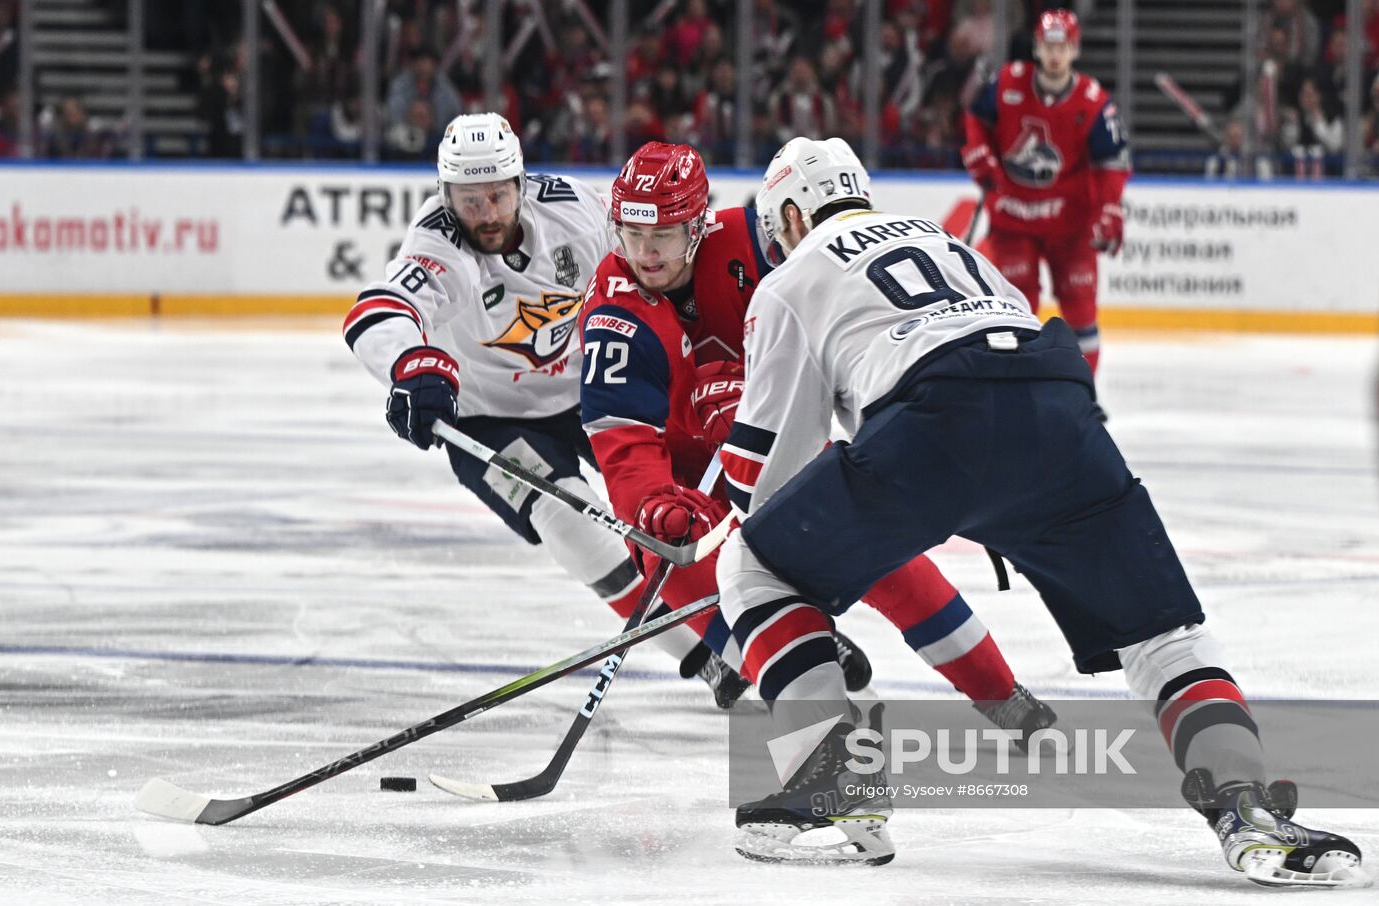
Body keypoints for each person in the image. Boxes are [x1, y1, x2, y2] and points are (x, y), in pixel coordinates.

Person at [714, 135, 1367, 888]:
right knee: (1163, 635)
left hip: (937, 424)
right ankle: (1248, 806)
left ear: (791, 213)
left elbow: (771, 474)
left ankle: (830, 782)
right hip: (1060, 406)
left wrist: (736, 539)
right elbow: (1001, 361)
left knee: (754, 562)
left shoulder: (792, 279)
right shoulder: (950, 242)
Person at [578, 140, 1056, 735]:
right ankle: (767, 667)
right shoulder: (615, 311)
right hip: (683, 481)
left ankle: (999, 693)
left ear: (699, 225)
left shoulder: (760, 243)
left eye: (666, 236)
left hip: (779, 439)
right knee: (663, 553)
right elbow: (624, 449)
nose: (645, 254)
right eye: (631, 233)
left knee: (886, 551)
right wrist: (655, 504)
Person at [342, 113, 742, 706]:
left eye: (498, 194)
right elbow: (378, 310)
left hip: (590, 387)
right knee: (571, 522)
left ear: (521, 184)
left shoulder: (573, 211)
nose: (485, 213)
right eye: (467, 198)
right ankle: (707, 655)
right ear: (443, 194)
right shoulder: (436, 245)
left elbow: (653, 263)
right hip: (488, 417)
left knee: (677, 502)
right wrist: (412, 365)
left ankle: (770, 620)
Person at [961, 10, 1129, 379]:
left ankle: (1083, 394)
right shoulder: (1007, 83)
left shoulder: (1093, 101)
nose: (1055, 55)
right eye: (1049, 46)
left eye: (1063, 46)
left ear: (1075, 49)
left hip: (1071, 227)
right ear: (1037, 47)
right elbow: (976, 119)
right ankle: (1023, 390)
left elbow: (1111, 163)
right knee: (1018, 309)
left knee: (1082, 312)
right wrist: (977, 151)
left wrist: (1110, 210)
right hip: (1012, 221)